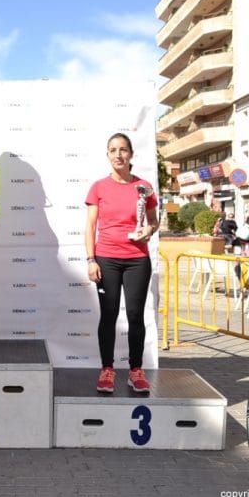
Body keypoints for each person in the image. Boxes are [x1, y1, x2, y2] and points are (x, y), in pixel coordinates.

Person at [85, 132, 158, 394]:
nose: (118, 154)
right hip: (106, 259)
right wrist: (91, 259)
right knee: (109, 316)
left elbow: (154, 221)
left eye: (123, 150)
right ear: (108, 155)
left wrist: (148, 231)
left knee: (136, 316)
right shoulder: (99, 187)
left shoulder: (144, 187)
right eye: (113, 150)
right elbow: (90, 226)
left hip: (137, 259)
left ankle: (136, 371)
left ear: (130, 155)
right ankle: (107, 370)